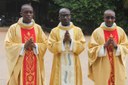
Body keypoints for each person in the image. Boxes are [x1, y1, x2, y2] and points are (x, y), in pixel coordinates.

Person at [4, 4, 47, 85]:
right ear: (21, 13)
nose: (28, 14)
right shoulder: (14, 28)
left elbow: (45, 43)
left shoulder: (37, 28)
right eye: (26, 12)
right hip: (20, 63)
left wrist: (35, 46)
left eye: (31, 12)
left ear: (33, 14)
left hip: (35, 63)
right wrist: (23, 46)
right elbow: (7, 44)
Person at [88, 9, 128, 85]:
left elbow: (126, 46)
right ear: (104, 18)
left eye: (112, 17)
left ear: (115, 19)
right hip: (102, 66)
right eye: (107, 17)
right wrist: (104, 46)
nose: (110, 20)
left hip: (117, 65)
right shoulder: (97, 32)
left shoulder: (120, 31)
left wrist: (116, 46)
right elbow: (90, 50)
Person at [48, 8, 86, 85]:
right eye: (63, 16)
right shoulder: (54, 31)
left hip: (73, 63)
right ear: (59, 17)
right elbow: (50, 47)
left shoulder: (77, 30)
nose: (65, 18)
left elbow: (82, 46)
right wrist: (63, 41)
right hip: (59, 64)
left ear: (70, 16)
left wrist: (71, 41)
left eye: (67, 15)